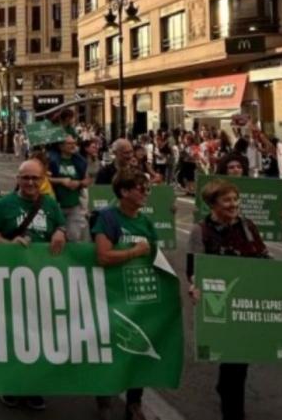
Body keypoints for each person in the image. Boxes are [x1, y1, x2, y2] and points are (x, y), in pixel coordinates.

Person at [0, 159, 65, 411]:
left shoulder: (50, 205)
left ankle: (34, 386)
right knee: (14, 332)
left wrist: (61, 231)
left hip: (43, 279)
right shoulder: (5, 204)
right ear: (18, 179)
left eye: (35, 178)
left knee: (40, 333)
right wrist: (8, 246)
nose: (30, 183)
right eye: (25, 178)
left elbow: (60, 224)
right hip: (12, 279)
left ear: (42, 180)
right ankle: (11, 383)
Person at [186, 179, 270, 420]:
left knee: (239, 359)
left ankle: (227, 391)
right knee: (233, 359)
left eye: (235, 199)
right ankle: (233, 413)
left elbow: (264, 258)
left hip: (246, 298)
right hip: (219, 300)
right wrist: (195, 287)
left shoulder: (248, 226)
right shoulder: (200, 231)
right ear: (213, 204)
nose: (233, 205)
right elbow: (194, 269)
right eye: (227, 201)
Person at [92, 170, 157, 420]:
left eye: (146, 188)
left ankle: (134, 402)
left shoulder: (146, 222)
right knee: (109, 347)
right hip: (109, 294)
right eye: (140, 188)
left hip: (138, 295)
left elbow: (153, 258)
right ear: (124, 192)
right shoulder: (108, 218)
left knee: (138, 352)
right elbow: (103, 256)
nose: (145, 193)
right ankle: (104, 400)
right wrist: (135, 252)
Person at [50, 135, 91, 242]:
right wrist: (61, 181)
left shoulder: (80, 161)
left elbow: (87, 181)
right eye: (69, 143)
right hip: (55, 206)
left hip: (74, 206)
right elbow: (43, 179)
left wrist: (79, 183)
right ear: (61, 146)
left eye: (74, 143)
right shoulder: (52, 161)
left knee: (74, 237)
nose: (73, 146)